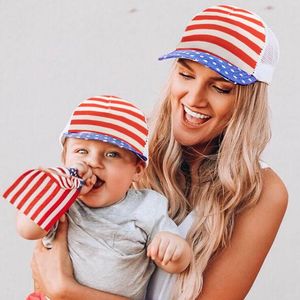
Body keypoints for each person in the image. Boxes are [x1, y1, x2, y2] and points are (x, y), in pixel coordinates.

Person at [30, 4, 288, 300]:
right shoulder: (124, 148)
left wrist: (68, 291)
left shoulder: (261, 191)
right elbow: (52, 247)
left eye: (220, 88)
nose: (194, 98)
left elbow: (58, 282)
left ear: (247, 102)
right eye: (185, 74)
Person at [6, 95, 192, 300]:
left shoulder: (147, 206)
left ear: (137, 171)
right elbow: (26, 229)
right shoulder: (62, 201)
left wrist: (173, 248)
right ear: (65, 159)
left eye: (111, 154)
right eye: (82, 151)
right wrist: (58, 188)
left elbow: (178, 264)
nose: (93, 162)